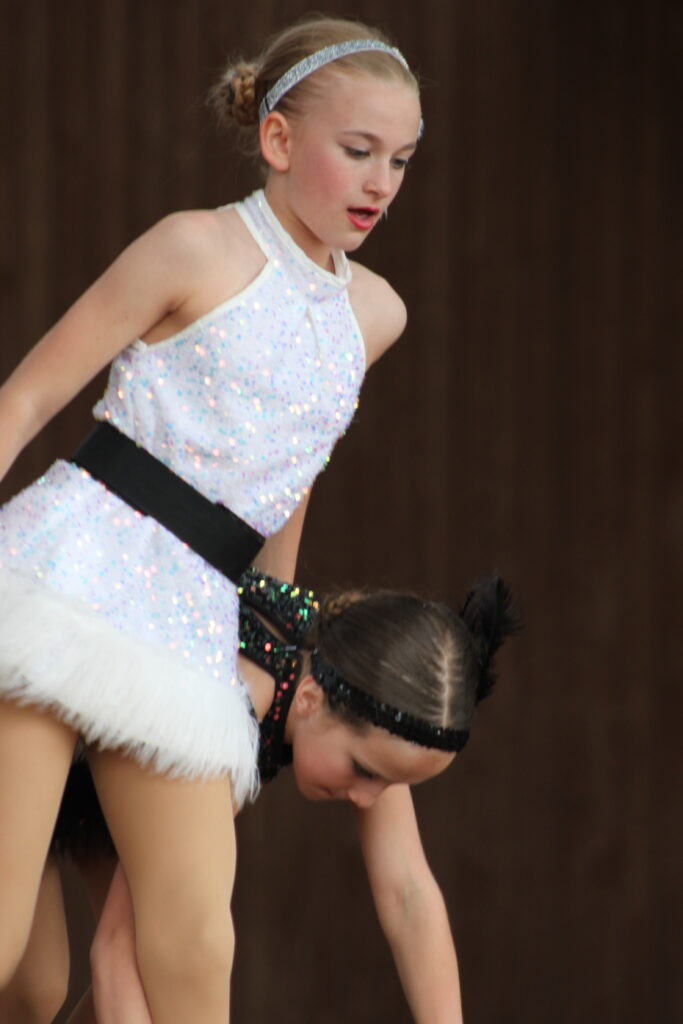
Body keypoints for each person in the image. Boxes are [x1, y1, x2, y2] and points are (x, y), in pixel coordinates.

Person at [0, 14, 424, 1023]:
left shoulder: (374, 314)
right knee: (16, 950)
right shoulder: (193, 245)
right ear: (277, 138)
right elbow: (25, 400)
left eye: (401, 160)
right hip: (60, 575)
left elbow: (291, 470)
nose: (380, 182)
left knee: (194, 947)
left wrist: (268, 638)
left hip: (190, 620)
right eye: (357, 150)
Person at [1, 566, 518, 1023]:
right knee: (36, 985)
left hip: (102, 788)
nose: (368, 798)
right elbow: (115, 952)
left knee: (126, 980)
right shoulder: (227, 713)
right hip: (36, 750)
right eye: (364, 771)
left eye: (389, 783)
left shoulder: (347, 694)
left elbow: (409, 893)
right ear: (310, 699)